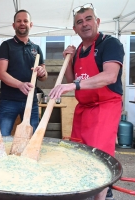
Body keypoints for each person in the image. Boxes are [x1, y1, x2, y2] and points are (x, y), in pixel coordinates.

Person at [49, 3, 124, 200]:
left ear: (97, 22)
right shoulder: (80, 49)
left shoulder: (110, 44)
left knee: (99, 158)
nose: (85, 24)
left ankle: (103, 195)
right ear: (75, 29)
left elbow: (110, 76)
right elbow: (71, 79)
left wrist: (75, 85)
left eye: (88, 19)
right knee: (80, 155)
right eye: (79, 22)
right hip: (83, 109)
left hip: (105, 107)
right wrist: (68, 59)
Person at [0, 9, 47, 136]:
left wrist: (42, 72)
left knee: (33, 139)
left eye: (25, 21)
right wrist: (20, 85)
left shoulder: (37, 48)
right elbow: (1, 73)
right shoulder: (6, 46)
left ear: (31, 24)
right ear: (14, 25)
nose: (22, 23)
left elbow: (44, 77)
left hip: (31, 101)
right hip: (9, 101)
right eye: (19, 21)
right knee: (3, 137)